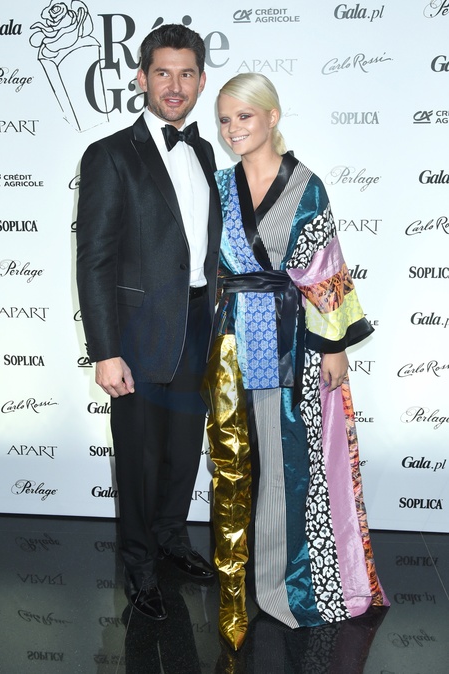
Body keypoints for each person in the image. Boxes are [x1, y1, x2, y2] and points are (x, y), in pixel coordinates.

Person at [202, 73, 389, 650]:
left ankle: (287, 589)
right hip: (234, 339)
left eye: (245, 117)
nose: (233, 129)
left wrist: (334, 345)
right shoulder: (219, 184)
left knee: (289, 465)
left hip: (293, 343)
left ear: (273, 116)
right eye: (225, 119)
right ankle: (243, 588)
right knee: (238, 467)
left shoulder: (306, 185)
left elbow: (325, 270)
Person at [76, 24, 222, 621]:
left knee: (184, 448)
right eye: (163, 72)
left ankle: (171, 539)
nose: (174, 85)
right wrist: (104, 350)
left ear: (202, 81)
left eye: (186, 74)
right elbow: (95, 259)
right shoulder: (110, 154)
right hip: (136, 333)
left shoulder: (206, 152)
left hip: (197, 321)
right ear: (141, 78)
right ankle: (138, 564)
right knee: (138, 454)